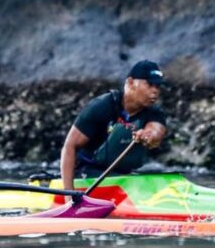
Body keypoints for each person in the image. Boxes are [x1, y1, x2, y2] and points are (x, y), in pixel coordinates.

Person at [60, 60, 167, 192]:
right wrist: (69, 195)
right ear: (130, 82)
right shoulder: (102, 106)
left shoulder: (155, 113)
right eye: (150, 84)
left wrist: (148, 136)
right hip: (88, 174)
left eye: (158, 86)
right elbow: (70, 146)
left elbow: (156, 131)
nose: (155, 91)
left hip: (123, 176)